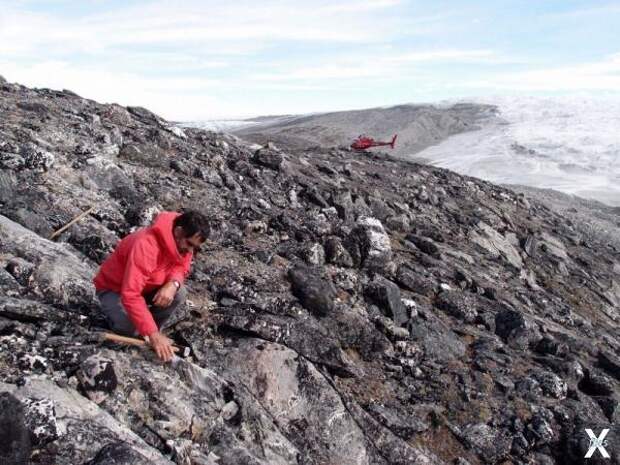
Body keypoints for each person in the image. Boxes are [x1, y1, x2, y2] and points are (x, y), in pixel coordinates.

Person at [93, 210, 208, 361]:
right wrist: (152, 333)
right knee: (130, 328)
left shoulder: (183, 243)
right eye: (190, 244)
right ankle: (148, 333)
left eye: (196, 248)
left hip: (145, 288)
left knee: (179, 293)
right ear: (178, 231)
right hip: (114, 289)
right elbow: (131, 294)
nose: (191, 251)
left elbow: (181, 266)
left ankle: (150, 332)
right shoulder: (146, 246)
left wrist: (173, 283)